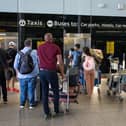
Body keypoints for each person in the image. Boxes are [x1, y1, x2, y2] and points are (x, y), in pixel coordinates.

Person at [37, 33, 64, 119]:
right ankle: (56, 110)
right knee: (56, 91)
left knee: (44, 92)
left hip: (42, 72)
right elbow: (60, 62)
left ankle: (46, 113)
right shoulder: (56, 47)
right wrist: (62, 74)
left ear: (45, 39)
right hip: (52, 72)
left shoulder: (40, 47)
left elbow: (38, 60)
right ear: (51, 39)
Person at [14, 39, 39, 109]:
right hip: (32, 75)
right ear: (30, 44)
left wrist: (17, 74)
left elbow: (15, 65)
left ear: (24, 44)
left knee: (23, 90)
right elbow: (38, 62)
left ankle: (22, 104)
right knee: (31, 90)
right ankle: (31, 104)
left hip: (21, 75)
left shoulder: (19, 53)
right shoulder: (34, 52)